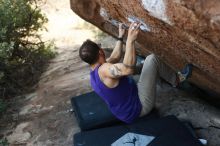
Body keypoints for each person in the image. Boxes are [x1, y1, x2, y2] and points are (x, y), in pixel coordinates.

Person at [79, 22, 192, 123]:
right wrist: (130, 41)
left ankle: (160, 75)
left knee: (141, 65)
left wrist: (120, 36)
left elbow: (115, 56)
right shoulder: (105, 70)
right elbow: (128, 69)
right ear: (100, 51)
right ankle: (177, 80)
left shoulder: (96, 70)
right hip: (139, 107)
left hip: (126, 111)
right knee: (152, 60)